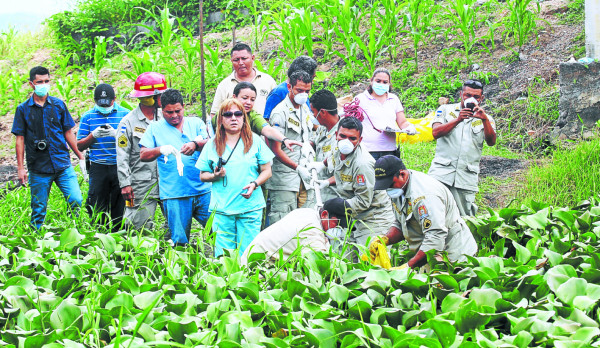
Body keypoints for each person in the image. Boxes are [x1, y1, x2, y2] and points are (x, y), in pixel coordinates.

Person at [308, 116, 395, 260]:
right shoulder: (338, 149)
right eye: (342, 136)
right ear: (336, 135)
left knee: (371, 263)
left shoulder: (363, 164)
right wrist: (322, 168)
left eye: (352, 138)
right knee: (346, 259)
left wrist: (337, 208)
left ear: (360, 140)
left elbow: (363, 201)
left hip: (373, 217)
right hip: (354, 216)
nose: (346, 142)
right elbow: (335, 162)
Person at [370, 155, 478, 268]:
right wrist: (385, 239)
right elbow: (402, 222)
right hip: (428, 254)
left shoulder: (426, 196)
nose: (388, 189)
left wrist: (407, 267)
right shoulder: (399, 187)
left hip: (454, 256)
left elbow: (435, 237)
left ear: (402, 174)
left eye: (390, 185)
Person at [197, 99, 274, 257]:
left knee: (249, 254)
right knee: (224, 256)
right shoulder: (211, 144)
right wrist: (215, 175)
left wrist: (254, 184)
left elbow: (267, 171)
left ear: (244, 118)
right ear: (221, 119)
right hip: (222, 208)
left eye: (238, 114)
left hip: (250, 207)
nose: (234, 118)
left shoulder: (255, 141)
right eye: (228, 114)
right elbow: (203, 175)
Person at [11, 66, 84, 229]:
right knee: (38, 209)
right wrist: (21, 168)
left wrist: (81, 156)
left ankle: (75, 230)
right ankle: (34, 239)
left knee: (76, 200)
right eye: (40, 82)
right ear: (31, 84)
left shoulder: (58, 105)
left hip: (62, 164)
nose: (43, 85)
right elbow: (20, 139)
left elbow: (68, 132)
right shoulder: (23, 110)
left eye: (46, 81)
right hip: (39, 167)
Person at [139, 89, 211, 245]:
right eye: (168, 112)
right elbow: (143, 154)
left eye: (178, 111)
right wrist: (160, 150)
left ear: (184, 107)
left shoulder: (196, 123)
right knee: (179, 240)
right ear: (162, 110)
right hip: (175, 193)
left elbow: (211, 143)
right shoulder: (155, 128)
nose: (174, 116)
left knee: (217, 231)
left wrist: (196, 144)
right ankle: (182, 266)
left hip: (202, 189)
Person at [428, 79, 496, 216]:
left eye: (476, 97)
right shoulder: (445, 110)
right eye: (467, 95)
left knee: (464, 219)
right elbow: (436, 133)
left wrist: (484, 120)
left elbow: (491, 142)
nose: (471, 99)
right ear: (461, 95)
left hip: (465, 178)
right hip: (441, 174)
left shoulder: (486, 118)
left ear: (481, 98)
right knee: (434, 214)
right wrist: (458, 119)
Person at [116, 72, 166, 230]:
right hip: (141, 184)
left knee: (174, 225)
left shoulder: (167, 117)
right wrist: (125, 184)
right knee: (137, 227)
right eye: (160, 95)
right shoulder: (127, 123)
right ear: (150, 97)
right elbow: (121, 156)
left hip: (167, 181)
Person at [77, 83, 129, 231]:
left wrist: (117, 135)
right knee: (97, 206)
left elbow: (132, 143)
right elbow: (80, 145)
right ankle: (100, 239)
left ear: (114, 99)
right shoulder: (88, 117)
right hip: (98, 166)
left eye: (108, 103)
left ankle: (118, 237)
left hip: (119, 165)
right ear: (94, 101)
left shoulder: (125, 114)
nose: (104, 106)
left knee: (119, 207)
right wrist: (93, 136)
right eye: (100, 103)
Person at [265, 70, 314, 225]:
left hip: (305, 177)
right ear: (289, 87)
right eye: (299, 90)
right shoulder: (280, 113)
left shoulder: (304, 109)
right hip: (285, 179)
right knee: (283, 224)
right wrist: (297, 167)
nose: (304, 95)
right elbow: (275, 148)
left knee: (305, 223)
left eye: (307, 91)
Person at [240, 197, 353, 266]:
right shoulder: (311, 230)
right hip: (257, 266)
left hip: (262, 258)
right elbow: (320, 265)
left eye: (342, 226)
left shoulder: (308, 212)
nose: (338, 229)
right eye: (337, 223)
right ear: (324, 215)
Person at [210, 82, 301, 150]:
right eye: (244, 98)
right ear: (234, 97)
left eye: (252, 99)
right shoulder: (220, 115)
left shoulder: (253, 116)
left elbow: (268, 130)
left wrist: (284, 139)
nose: (248, 102)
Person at [352, 67, 416, 160]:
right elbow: (351, 122)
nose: (381, 84)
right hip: (367, 150)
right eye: (378, 81)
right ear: (371, 81)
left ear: (389, 84)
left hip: (390, 150)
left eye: (385, 82)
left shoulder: (393, 99)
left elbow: (402, 122)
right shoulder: (360, 99)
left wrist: (409, 128)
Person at [209, 43, 277, 119]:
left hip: (264, 128)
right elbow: (214, 114)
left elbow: (277, 108)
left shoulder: (268, 81)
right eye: (236, 60)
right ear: (231, 61)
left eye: (244, 58)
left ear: (252, 58)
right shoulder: (224, 85)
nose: (240, 63)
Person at [306, 89, 341, 202]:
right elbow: (316, 141)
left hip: (336, 195)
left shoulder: (343, 134)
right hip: (322, 193)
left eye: (313, 112)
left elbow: (345, 172)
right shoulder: (322, 127)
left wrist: (327, 182)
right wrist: (308, 145)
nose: (313, 115)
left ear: (323, 112)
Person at [263, 55, 317, 120]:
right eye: (312, 78)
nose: (312, 81)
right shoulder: (279, 93)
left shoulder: (304, 92)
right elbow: (267, 121)